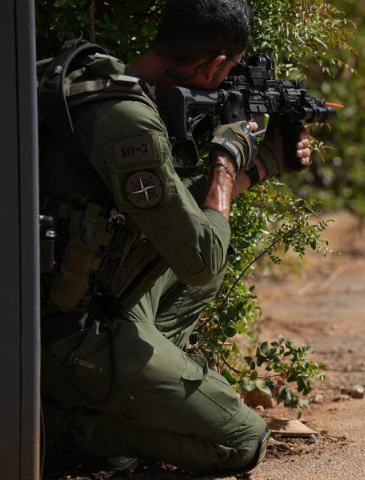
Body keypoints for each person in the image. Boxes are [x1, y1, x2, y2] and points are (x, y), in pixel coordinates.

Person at [39, 0, 310, 473]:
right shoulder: (130, 121)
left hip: (66, 304)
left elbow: (174, 214)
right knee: (242, 441)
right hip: (65, 334)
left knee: (207, 259)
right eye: (229, 70)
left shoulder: (95, 83)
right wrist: (226, 160)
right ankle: (63, 426)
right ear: (212, 64)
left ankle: (134, 385)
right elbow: (200, 257)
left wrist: (263, 164)